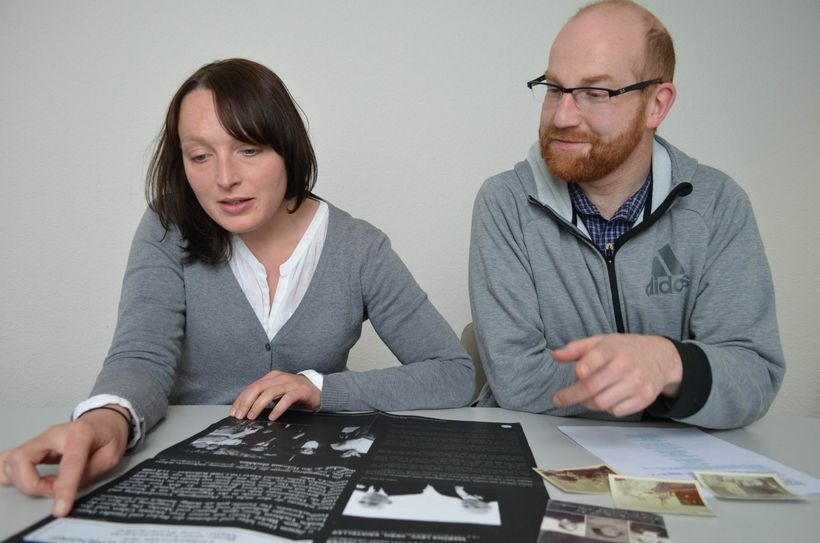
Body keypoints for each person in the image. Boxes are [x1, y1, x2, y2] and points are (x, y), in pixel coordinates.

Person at [0, 58, 475, 516]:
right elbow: (141, 357)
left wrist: (318, 388)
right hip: (185, 477)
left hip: (308, 481)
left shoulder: (359, 247)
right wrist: (106, 418)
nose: (225, 179)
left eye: (248, 149)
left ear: (286, 146)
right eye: (200, 156)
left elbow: (453, 373)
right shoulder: (168, 227)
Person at [469, 0, 784, 429]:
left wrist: (668, 362)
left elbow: (754, 376)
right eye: (555, 88)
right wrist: (674, 382)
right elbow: (517, 380)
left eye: (595, 93)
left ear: (657, 104)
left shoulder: (718, 204)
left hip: (676, 472)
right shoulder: (505, 203)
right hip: (538, 455)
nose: (562, 115)